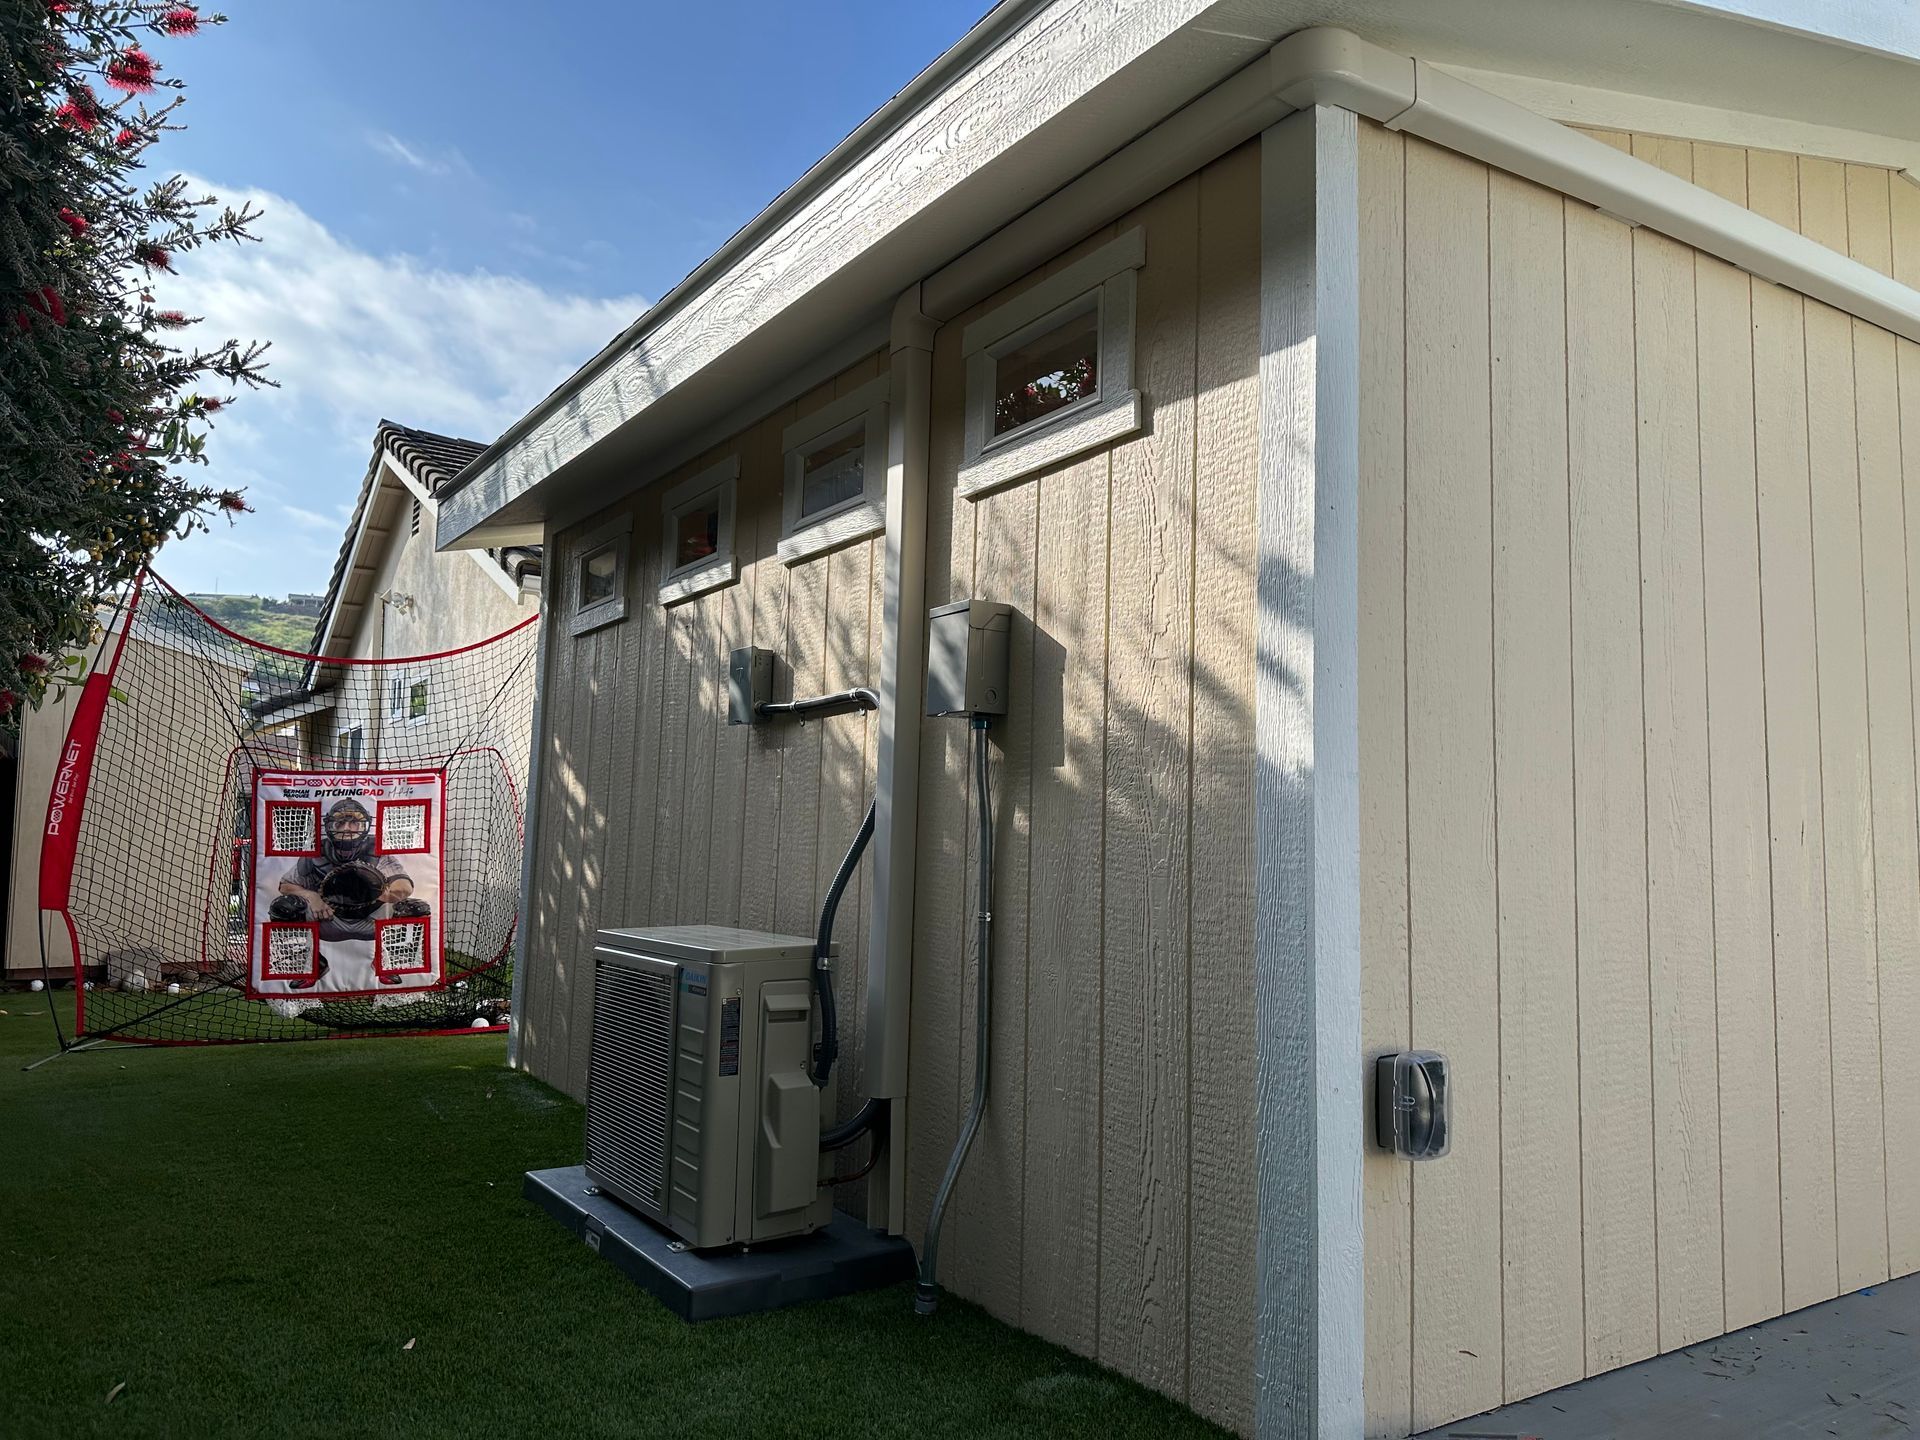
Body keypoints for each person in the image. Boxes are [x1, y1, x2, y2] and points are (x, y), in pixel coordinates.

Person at [268, 798, 428, 988]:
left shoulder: (377, 850)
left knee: (416, 909)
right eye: (340, 822)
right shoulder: (317, 852)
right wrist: (313, 897)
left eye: (353, 822)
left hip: (371, 920)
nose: (346, 828)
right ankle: (311, 965)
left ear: (363, 826)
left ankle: (387, 962)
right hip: (329, 919)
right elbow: (286, 886)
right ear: (330, 826)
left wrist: (374, 892)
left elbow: (405, 886)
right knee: (284, 907)